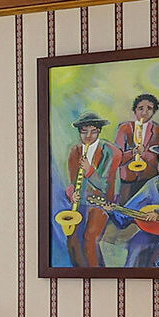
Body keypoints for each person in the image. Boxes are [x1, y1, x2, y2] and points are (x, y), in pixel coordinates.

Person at [108, 136, 159, 268]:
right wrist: (113, 211)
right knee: (136, 246)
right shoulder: (152, 185)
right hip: (152, 233)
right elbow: (130, 210)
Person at [58, 111, 110, 268]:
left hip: (100, 203)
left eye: (93, 131)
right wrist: (71, 192)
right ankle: (80, 274)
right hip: (80, 202)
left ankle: (96, 273)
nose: (88, 135)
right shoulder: (75, 151)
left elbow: (107, 186)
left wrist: (89, 170)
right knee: (72, 239)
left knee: (90, 238)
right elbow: (73, 181)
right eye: (84, 131)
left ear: (99, 131)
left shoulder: (108, 151)